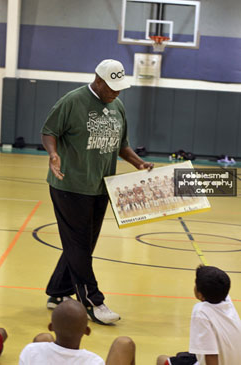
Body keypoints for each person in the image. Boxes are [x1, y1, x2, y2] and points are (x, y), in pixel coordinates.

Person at [41, 59, 153, 324]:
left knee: (84, 244)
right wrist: (54, 153)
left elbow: (121, 145)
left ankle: (58, 291)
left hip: (100, 186)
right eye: (112, 87)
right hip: (70, 185)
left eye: (119, 88)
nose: (116, 92)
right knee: (79, 244)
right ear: (98, 80)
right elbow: (49, 131)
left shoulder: (118, 106)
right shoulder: (72, 101)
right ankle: (93, 301)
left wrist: (139, 163)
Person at [157, 265, 241, 365]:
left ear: (200, 295)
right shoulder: (226, 300)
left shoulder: (201, 312)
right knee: (184, 355)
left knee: (161, 360)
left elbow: (211, 355)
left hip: (217, 361)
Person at [19, 299, 136, 365]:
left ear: (51, 327)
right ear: (87, 331)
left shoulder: (30, 351)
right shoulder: (93, 361)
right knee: (124, 343)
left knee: (42, 338)